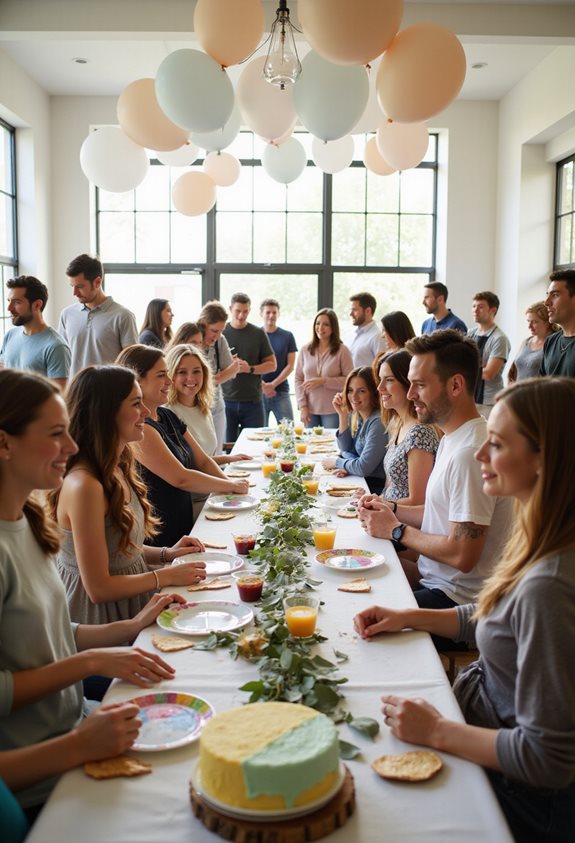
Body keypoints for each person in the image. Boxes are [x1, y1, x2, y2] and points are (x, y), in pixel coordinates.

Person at [354, 377, 575, 843]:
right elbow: (499, 617)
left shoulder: (550, 584)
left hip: (526, 800)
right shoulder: (545, 542)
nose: (479, 456)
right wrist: (410, 616)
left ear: (544, 459)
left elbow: (548, 759)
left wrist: (438, 731)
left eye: (495, 444)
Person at [0, 369, 187, 818]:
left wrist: (129, 627)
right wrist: (90, 664)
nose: (70, 447)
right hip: (44, 779)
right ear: (5, 444)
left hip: (75, 721)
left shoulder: (27, 522)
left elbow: (49, 631)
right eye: (55, 434)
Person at [358, 330, 513, 649]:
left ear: (455, 385)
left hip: (458, 601)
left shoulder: (471, 452)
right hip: (433, 580)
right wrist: (392, 509)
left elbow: (462, 553)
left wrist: (397, 531)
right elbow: (443, 514)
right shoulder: (453, 438)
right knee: (356, 575)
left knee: (360, 628)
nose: (410, 393)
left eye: (420, 384)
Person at [51, 365, 207, 628]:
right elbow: (99, 588)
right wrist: (165, 576)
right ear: (105, 413)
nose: (146, 413)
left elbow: (118, 553)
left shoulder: (118, 464)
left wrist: (167, 554)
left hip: (133, 600)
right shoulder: (85, 485)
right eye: (136, 404)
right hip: (101, 619)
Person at [116, 345, 249, 547]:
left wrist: (234, 490)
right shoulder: (142, 430)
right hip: (160, 529)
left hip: (183, 521)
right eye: (162, 375)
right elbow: (181, 478)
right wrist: (231, 486)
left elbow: (202, 460)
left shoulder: (167, 415)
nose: (169, 381)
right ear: (137, 380)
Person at [165, 344, 250, 466]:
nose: (190, 378)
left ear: (205, 375)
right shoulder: (167, 413)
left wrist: (231, 458)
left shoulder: (203, 408)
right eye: (182, 372)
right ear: (171, 375)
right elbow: (183, 467)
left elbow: (205, 460)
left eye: (196, 371)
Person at [377, 349, 439, 506]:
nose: (380, 388)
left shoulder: (419, 433)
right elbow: (392, 485)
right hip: (387, 511)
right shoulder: (399, 423)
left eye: (389, 380)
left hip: (403, 521)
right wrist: (375, 499)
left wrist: (379, 505)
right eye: (380, 380)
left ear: (407, 383)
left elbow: (418, 501)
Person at [58, 254, 138, 376]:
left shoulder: (123, 316)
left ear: (97, 282)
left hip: (109, 392)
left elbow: (132, 364)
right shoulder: (66, 314)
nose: (74, 293)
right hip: (74, 392)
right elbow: (62, 357)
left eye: (79, 286)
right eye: (72, 286)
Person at [321, 366, 387, 494]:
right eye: (350, 390)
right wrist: (343, 416)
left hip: (374, 488)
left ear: (374, 392)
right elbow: (346, 449)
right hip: (360, 480)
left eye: (361, 391)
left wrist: (338, 462)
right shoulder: (359, 415)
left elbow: (363, 467)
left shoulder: (378, 422)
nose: (354, 397)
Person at [222, 292, 276, 441]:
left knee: (256, 445)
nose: (241, 315)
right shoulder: (221, 333)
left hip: (253, 402)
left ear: (249, 311)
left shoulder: (258, 333)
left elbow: (272, 365)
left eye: (245, 311)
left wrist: (249, 368)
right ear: (230, 309)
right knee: (227, 447)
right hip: (225, 401)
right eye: (238, 311)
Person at [0, 275, 70, 389]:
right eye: (9, 301)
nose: (9, 308)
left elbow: (59, 396)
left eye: (16, 302)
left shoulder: (56, 346)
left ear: (37, 305)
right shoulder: (10, 335)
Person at [295, 308, 353, 428]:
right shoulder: (305, 350)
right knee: (310, 444)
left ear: (333, 327)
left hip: (333, 410)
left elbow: (349, 381)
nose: (320, 328)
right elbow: (298, 379)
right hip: (309, 410)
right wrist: (303, 406)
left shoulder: (343, 350)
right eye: (318, 323)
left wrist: (323, 381)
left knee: (331, 444)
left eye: (326, 324)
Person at [197, 302, 241, 453]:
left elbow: (234, 372)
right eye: (214, 331)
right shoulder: (191, 338)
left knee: (217, 450)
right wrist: (223, 375)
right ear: (202, 324)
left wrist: (223, 374)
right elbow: (198, 383)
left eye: (221, 331)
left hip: (215, 402)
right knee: (200, 452)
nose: (217, 336)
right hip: (195, 404)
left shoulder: (220, 340)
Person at [467, 291, 510, 416]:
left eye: (480, 307)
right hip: (470, 397)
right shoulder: (471, 333)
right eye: (474, 306)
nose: (475, 310)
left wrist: (464, 369)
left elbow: (489, 373)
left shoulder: (499, 338)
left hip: (488, 402)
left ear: (493, 310)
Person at [260, 298, 297, 424]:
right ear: (261, 314)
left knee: (288, 430)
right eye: (268, 312)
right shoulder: (255, 335)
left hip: (281, 391)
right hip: (258, 393)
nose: (271, 316)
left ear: (278, 314)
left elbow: (290, 365)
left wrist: (272, 385)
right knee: (258, 432)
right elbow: (250, 365)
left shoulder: (287, 336)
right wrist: (263, 386)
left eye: (274, 312)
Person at [508, 301, 558, 382]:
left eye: (534, 322)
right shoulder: (526, 342)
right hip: (519, 392)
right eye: (528, 321)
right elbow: (514, 372)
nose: (529, 326)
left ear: (547, 323)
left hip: (539, 393)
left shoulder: (555, 343)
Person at [540, 269, 575, 376]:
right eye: (547, 295)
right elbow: (543, 386)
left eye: (555, 295)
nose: (546, 302)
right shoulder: (551, 341)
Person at [346, 292, 386, 367]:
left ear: (368, 311)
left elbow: (380, 368)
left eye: (354, 310)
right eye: (351, 310)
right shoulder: (350, 335)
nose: (350, 314)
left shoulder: (378, 337)